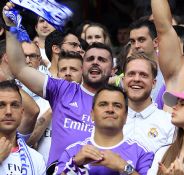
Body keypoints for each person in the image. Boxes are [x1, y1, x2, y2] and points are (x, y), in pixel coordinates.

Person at [3, 2, 114, 166]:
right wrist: (11, 27)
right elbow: (19, 68)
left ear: (113, 69)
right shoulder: (63, 89)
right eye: (90, 59)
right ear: (82, 66)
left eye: (102, 60)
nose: (95, 63)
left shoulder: (120, 101)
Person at [54, 85, 154, 175]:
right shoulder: (72, 151)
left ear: (126, 116)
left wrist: (124, 167)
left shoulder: (142, 153)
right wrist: (74, 164)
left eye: (117, 105)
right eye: (103, 104)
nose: (110, 109)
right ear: (92, 114)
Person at [122, 52, 175, 152]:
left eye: (143, 75)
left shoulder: (169, 123)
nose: (137, 79)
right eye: (131, 74)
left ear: (154, 83)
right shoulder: (109, 118)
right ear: (123, 81)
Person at [0, 80, 46, 174]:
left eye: (14, 105)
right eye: (1, 105)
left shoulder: (36, 159)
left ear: (22, 112)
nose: (8, 111)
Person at [129, 19, 164, 101]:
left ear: (155, 42)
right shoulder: (127, 75)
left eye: (141, 40)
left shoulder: (168, 72)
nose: (136, 45)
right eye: (132, 41)